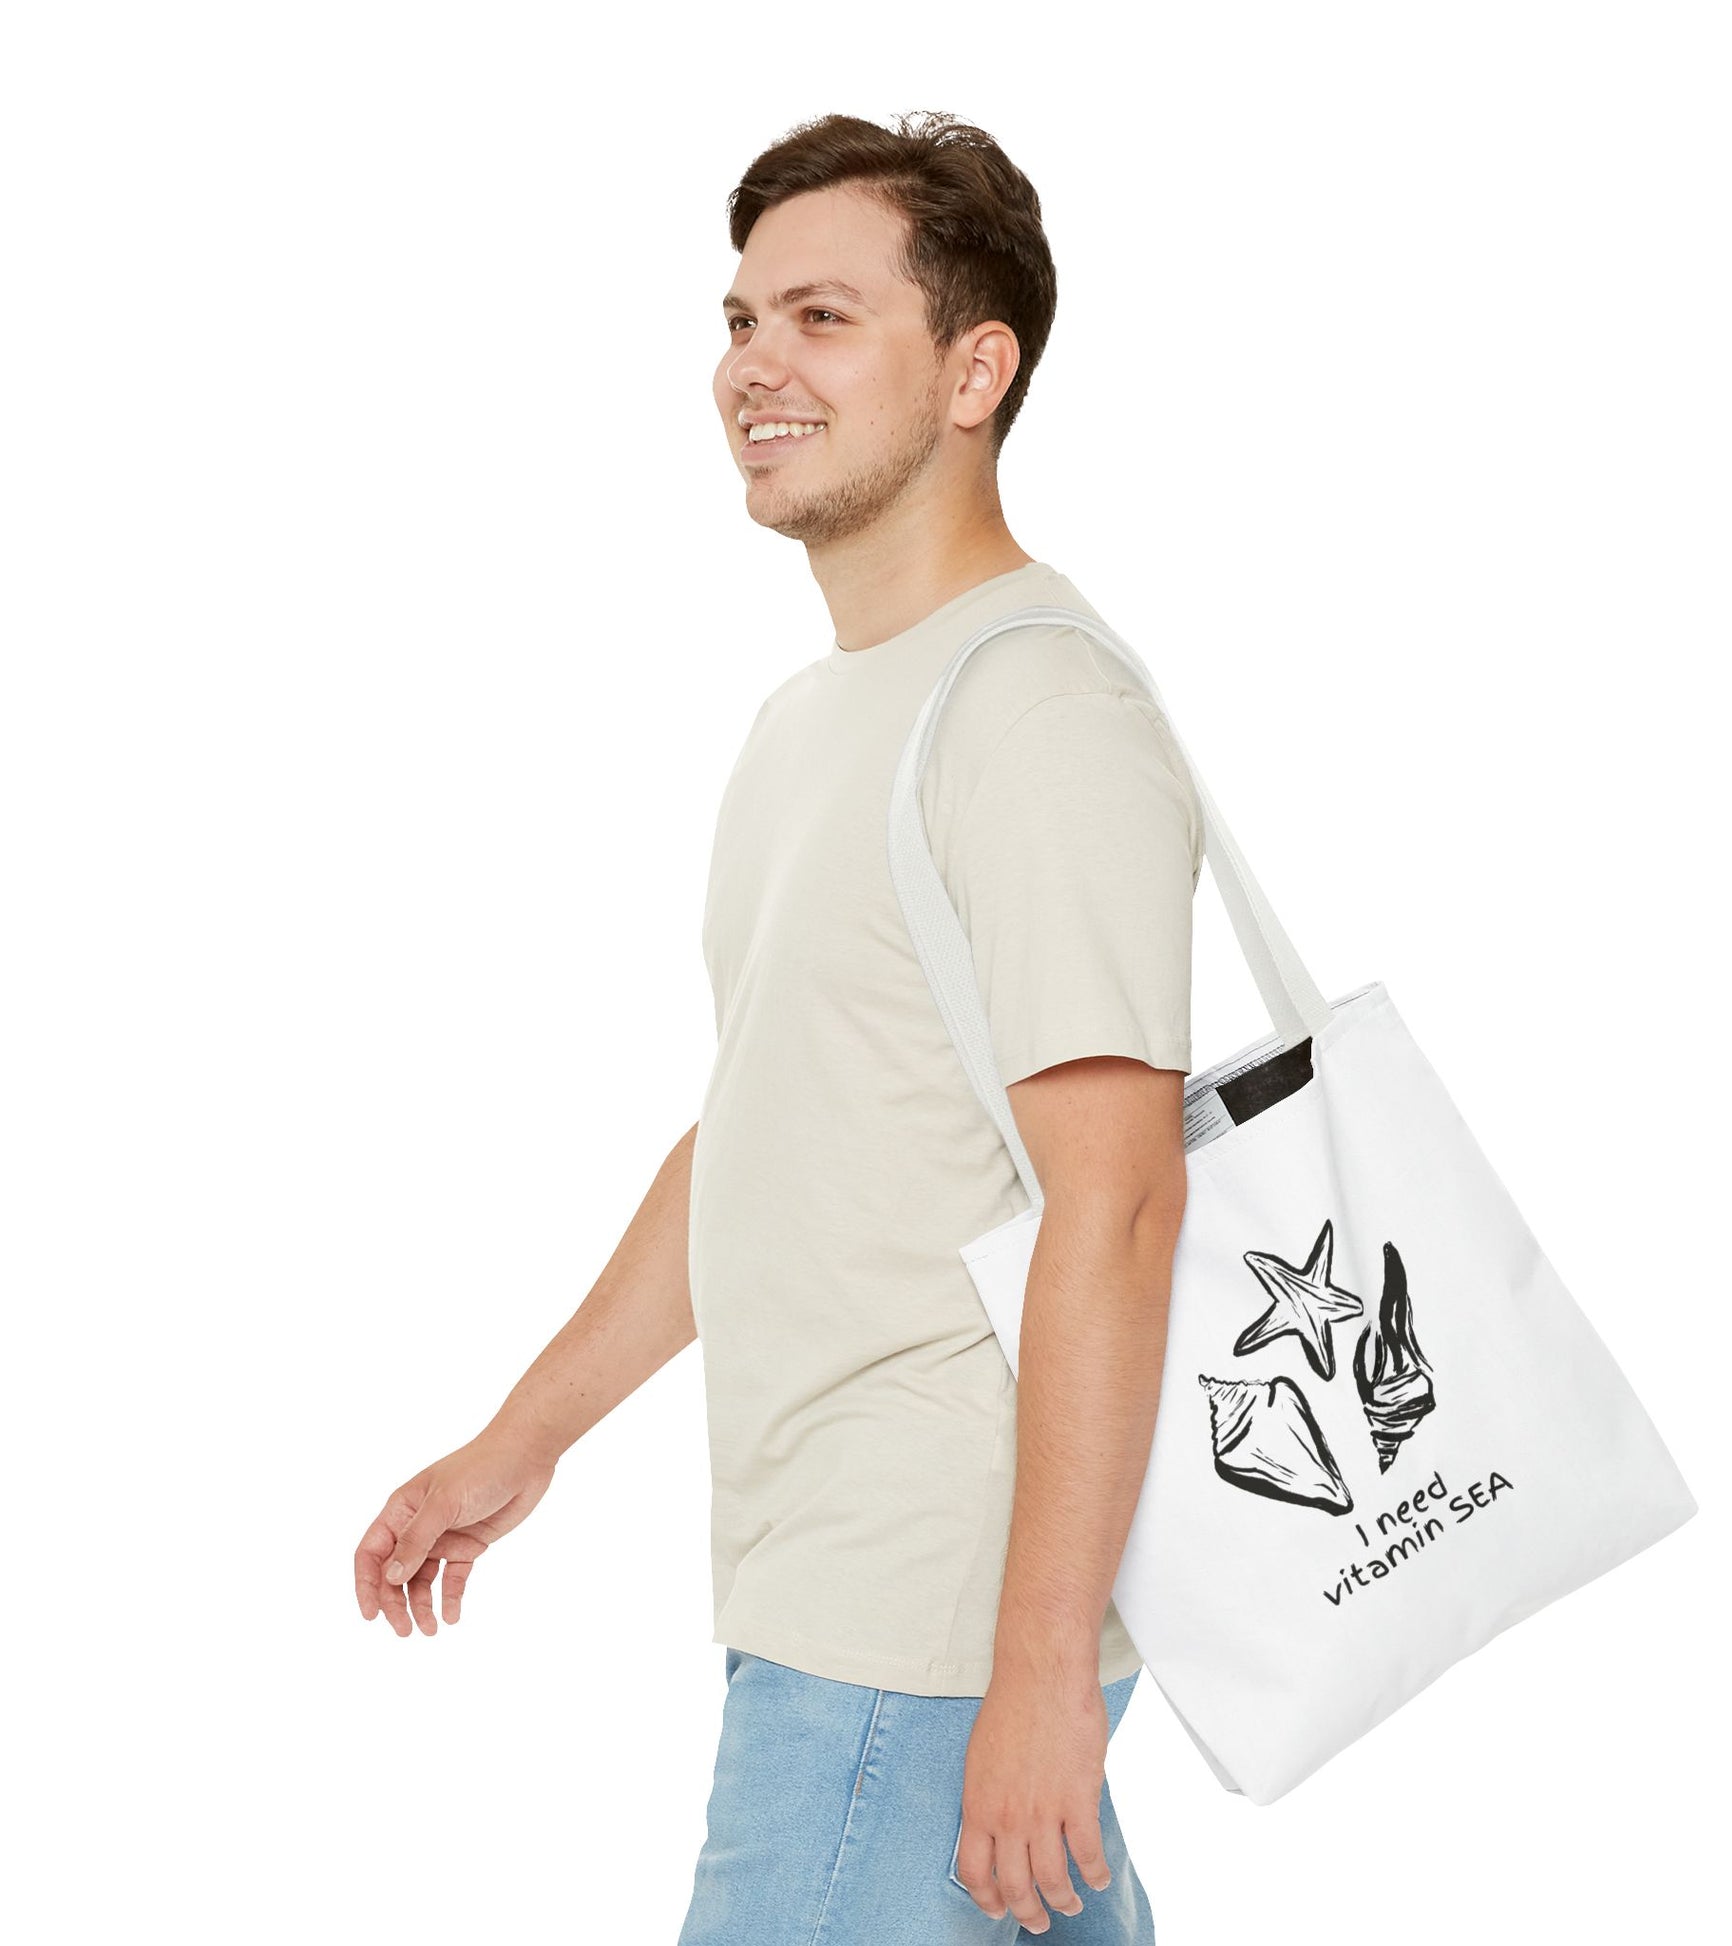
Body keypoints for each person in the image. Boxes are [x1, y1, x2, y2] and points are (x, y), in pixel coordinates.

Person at [352, 109, 1204, 1942]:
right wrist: (523, 1439)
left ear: (975, 371)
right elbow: (764, 1131)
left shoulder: (1032, 713)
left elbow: (1121, 1200)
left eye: (822, 317)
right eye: (741, 319)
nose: (754, 365)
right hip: (842, 1602)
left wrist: (1037, 1676)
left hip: (914, 1636)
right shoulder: (815, 722)